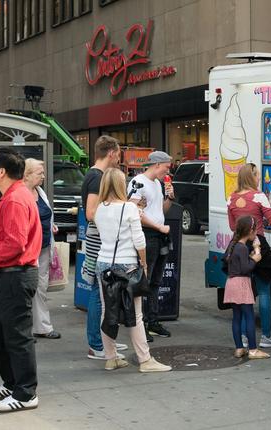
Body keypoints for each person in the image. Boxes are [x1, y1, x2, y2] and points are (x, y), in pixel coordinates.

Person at [94, 168, 172, 373]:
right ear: (121, 184)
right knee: (135, 314)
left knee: (107, 311)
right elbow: (139, 241)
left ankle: (110, 357)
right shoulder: (129, 208)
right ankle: (145, 360)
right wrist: (144, 264)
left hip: (103, 264)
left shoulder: (99, 208)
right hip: (127, 265)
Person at [0, 147, 42, 412]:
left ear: (2, 171)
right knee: (3, 334)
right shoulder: (13, 196)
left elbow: (14, 245)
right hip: (9, 274)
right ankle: (12, 384)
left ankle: (25, 393)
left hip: (15, 274)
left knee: (17, 336)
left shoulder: (14, 199)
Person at [81, 136, 127, 360]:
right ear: (111, 153)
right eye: (118, 153)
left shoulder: (95, 175)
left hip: (99, 241)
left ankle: (106, 341)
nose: (119, 158)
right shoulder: (97, 177)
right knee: (98, 294)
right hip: (99, 242)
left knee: (102, 293)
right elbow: (91, 213)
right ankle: (97, 344)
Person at [227, 163, 271, 348]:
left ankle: (243, 336)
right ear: (252, 177)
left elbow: (233, 227)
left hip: (239, 245)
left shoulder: (231, 198)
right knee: (264, 291)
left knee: (244, 292)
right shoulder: (259, 196)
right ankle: (266, 336)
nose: (259, 178)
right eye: (257, 175)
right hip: (258, 244)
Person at [128, 151, 174, 341]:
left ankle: (152, 320)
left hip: (159, 234)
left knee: (156, 280)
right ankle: (140, 324)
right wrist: (159, 227)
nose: (167, 171)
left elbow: (160, 210)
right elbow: (134, 212)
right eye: (166, 167)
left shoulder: (157, 183)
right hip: (147, 235)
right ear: (157, 164)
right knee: (143, 280)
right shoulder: (137, 182)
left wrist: (169, 198)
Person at [223, 215, 271, 360]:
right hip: (242, 283)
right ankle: (253, 349)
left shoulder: (233, 245)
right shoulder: (242, 247)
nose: (256, 233)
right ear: (250, 231)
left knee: (237, 317)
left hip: (231, 283)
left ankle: (239, 348)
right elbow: (246, 269)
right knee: (249, 315)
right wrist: (256, 257)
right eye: (255, 230)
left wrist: (250, 257)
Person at [23, 159, 60, 340]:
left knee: (41, 287)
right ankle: (25, 329)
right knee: (25, 288)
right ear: (27, 175)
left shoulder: (40, 191)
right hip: (27, 250)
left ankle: (42, 326)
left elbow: (45, 214)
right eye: (40, 173)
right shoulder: (20, 194)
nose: (43, 177)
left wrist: (51, 226)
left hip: (44, 246)